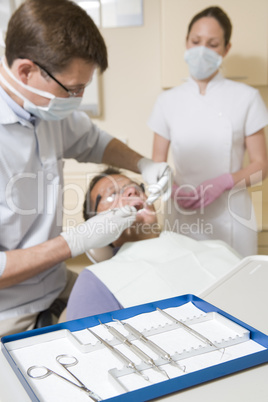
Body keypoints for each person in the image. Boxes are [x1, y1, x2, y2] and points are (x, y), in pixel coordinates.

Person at [0, 0, 172, 337]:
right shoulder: (98, 285)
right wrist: (76, 241)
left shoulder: (47, 110)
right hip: (10, 309)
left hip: (58, 284)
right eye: (73, 89)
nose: (78, 99)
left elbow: (93, 139)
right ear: (26, 72)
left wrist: (144, 163)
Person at [147, 6, 268, 257]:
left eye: (212, 44)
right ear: (186, 43)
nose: (202, 50)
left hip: (232, 216)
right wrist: (170, 189)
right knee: (183, 285)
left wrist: (224, 182)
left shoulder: (247, 98)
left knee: (233, 290)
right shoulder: (167, 101)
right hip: (182, 216)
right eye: (196, 41)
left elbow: (261, 166)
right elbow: (155, 164)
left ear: (226, 49)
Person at [66, 167, 240, 321]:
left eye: (135, 186)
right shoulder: (95, 282)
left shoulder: (217, 247)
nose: (132, 191)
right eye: (113, 194)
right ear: (96, 223)